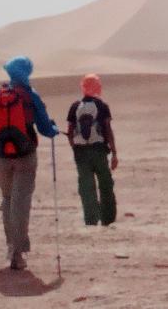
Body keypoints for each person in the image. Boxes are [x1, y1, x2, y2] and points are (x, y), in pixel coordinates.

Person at [0, 56, 58, 270]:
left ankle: (11, 247)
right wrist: (53, 129)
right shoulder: (30, 95)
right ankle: (17, 251)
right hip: (24, 156)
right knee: (21, 203)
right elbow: (44, 128)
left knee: (7, 199)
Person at [67, 74, 118, 226]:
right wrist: (114, 153)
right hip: (99, 151)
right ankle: (107, 218)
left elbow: (70, 131)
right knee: (105, 184)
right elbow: (107, 129)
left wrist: (75, 148)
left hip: (81, 153)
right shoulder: (102, 106)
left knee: (86, 186)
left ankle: (91, 218)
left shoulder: (75, 106)